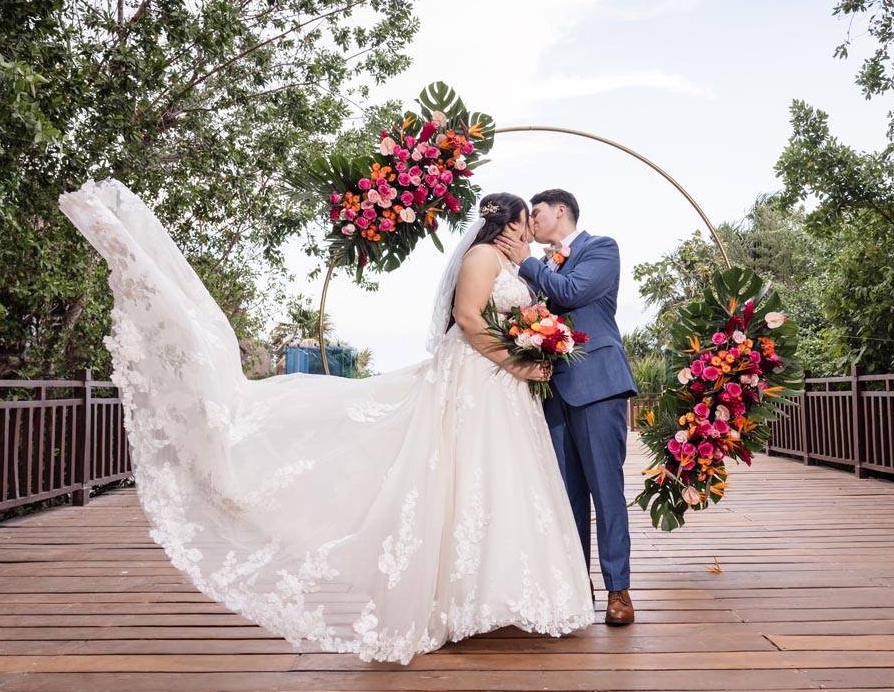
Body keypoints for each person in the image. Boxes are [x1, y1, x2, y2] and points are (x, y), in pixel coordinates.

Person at [59, 181, 593, 665]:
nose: (531, 228)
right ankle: (457, 601)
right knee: (461, 479)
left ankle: (501, 594)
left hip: (501, 390)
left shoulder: (514, 264)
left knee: (500, 484)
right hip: (477, 381)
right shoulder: (481, 256)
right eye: (526, 219)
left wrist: (529, 348)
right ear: (509, 223)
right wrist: (517, 361)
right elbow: (471, 319)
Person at [495, 188, 639, 625]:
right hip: (551, 391)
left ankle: (619, 590)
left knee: (605, 491)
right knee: (564, 497)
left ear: (561, 211)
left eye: (535, 213)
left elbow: (573, 292)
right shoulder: (534, 269)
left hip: (597, 386)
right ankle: (577, 587)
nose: (530, 222)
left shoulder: (601, 249)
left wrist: (526, 260)